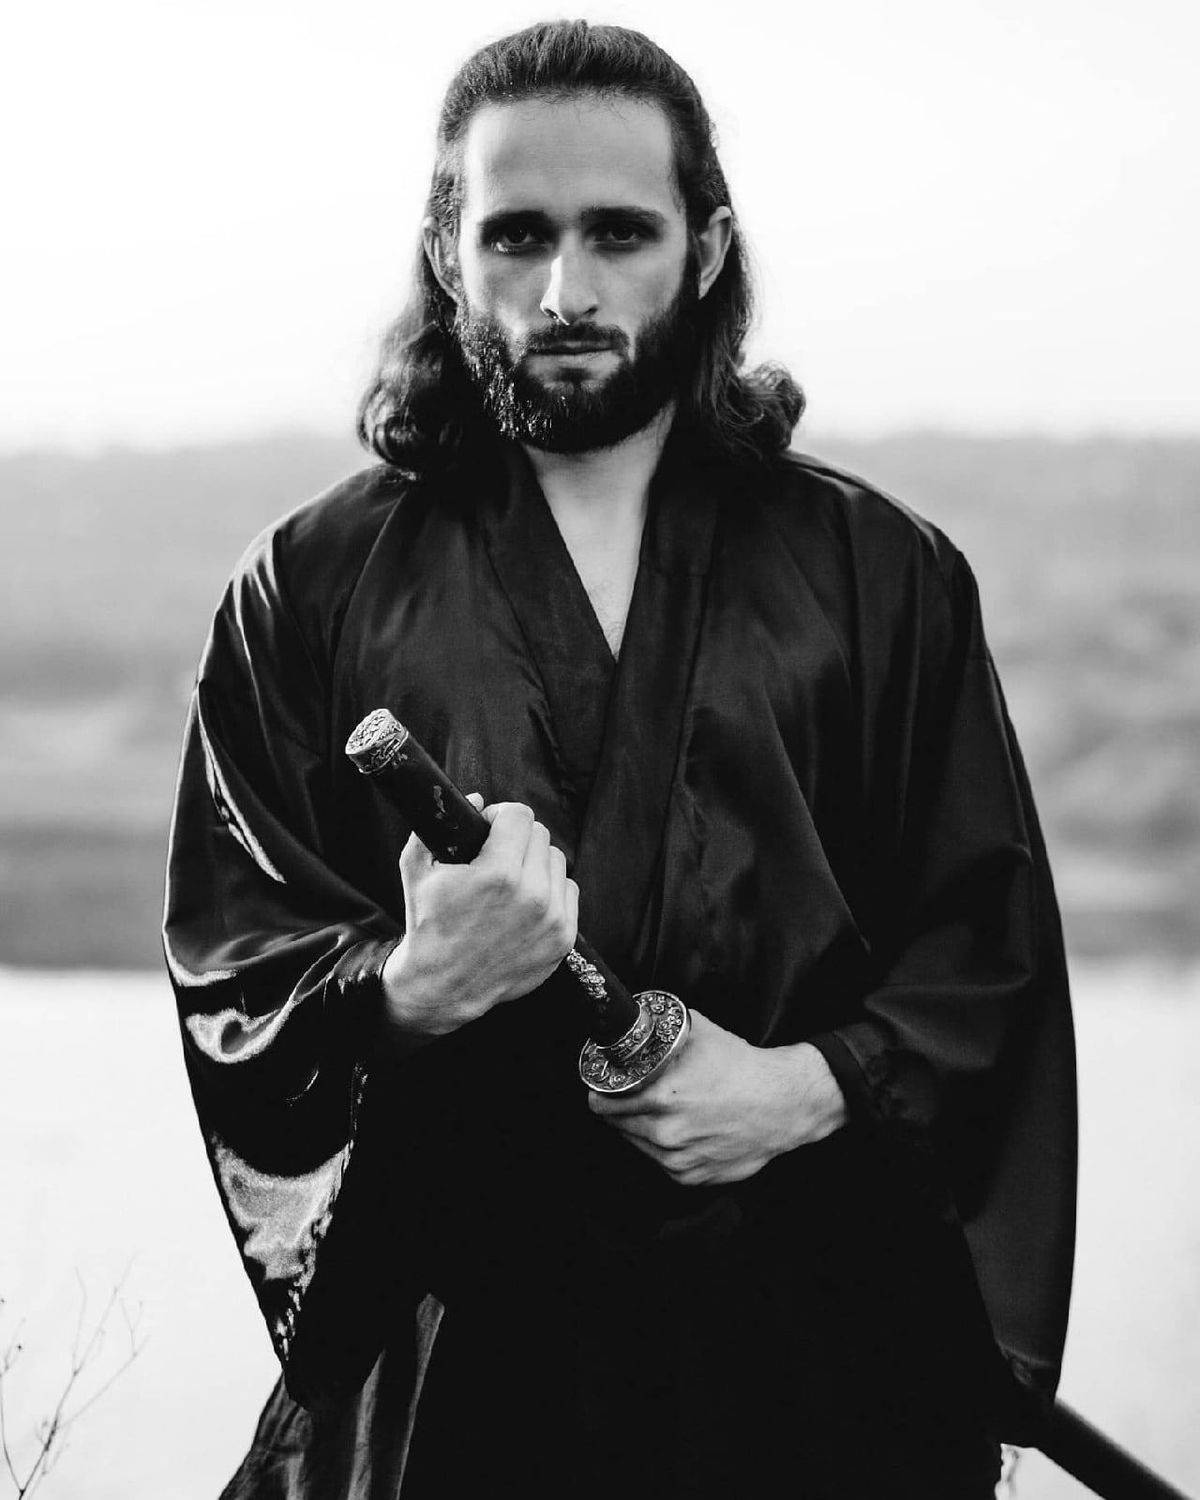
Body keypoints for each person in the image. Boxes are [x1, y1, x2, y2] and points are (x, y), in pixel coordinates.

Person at [163, 20, 1076, 1499]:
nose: (564, 291)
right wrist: (407, 990)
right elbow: (236, 967)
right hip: (451, 1387)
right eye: (516, 235)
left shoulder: (884, 577)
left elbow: (985, 948)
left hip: (808, 1380)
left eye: (620, 234)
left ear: (705, 248)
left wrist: (807, 1086)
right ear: (448, 251)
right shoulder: (308, 587)